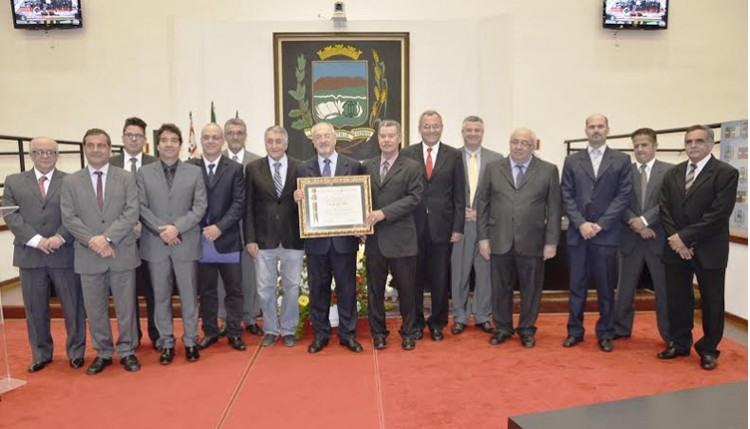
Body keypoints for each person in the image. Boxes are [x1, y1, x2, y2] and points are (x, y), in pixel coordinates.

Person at [658, 125, 738, 370]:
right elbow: (665, 208)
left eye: (699, 141)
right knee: (678, 299)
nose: (692, 145)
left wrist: (685, 238)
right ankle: (679, 342)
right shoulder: (673, 173)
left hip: (709, 249)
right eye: (689, 141)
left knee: (712, 301)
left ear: (711, 144)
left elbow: (718, 213)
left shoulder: (726, 173)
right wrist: (675, 238)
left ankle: (708, 348)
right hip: (675, 248)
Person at [60, 129, 141, 374]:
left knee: (126, 308)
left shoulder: (126, 178)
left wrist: (107, 238)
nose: (96, 150)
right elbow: (69, 217)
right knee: (95, 309)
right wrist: (93, 241)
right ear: (85, 148)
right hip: (88, 254)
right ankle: (103, 352)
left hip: (121, 252)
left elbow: (131, 212)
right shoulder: (71, 181)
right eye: (91, 145)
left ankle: (127, 351)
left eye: (101, 145)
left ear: (109, 148)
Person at [3, 137, 86, 373]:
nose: (46, 156)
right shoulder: (14, 182)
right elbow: (11, 216)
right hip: (30, 255)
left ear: (57, 154)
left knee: (73, 306)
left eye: (51, 152)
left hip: (64, 252)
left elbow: (75, 215)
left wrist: (59, 237)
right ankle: (41, 354)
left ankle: (76, 352)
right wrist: (37, 240)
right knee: (35, 308)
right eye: (40, 152)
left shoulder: (71, 181)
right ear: (31, 154)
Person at [477, 128, 561, 348]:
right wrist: (483, 238)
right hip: (499, 239)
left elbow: (554, 208)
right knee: (500, 288)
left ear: (534, 146)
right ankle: (502, 327)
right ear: (509, 144)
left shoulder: (548, 170)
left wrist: (551, 242)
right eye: (515, 142)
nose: (519, 146)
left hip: (533, 241)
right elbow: (482, 205)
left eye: (525, 143)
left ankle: (526, 329)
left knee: (531, 289)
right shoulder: (493, 168)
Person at [560, 113, 632, 352]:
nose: (596, 130)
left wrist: (600, 224)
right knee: (576, 287)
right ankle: (575, 331)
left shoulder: (621, 160)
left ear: (608, 129)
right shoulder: (572, 161)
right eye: (592, 126)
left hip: (606, 235)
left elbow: (623, 197)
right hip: (578, 234)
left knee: (605, 288)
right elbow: (566, 195)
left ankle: (605, 333)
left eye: (600, 126)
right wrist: (581, 223)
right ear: (586, 130)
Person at [137, 123, 207, 365]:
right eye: (164, 140)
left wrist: (176, 228)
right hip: (155, 245)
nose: (168, 144)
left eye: (173, 140)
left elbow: (199, 207)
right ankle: (166, 342)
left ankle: (189, 341)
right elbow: (141, 207)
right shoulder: (143, 173)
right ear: (157, 144)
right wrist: (162, 231)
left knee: (189, 296)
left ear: (179, 144)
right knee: (160, 297)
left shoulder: (194, 172)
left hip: (185, 242)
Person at [295, 122, 366, 353]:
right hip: (316, 243)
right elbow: (296, 206)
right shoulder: (303, 169)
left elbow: (362, 200)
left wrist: (360, 224)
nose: (323, 140)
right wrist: (297, 197)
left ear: (335, 139)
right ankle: (321, 334)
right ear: (312, 141)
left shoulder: (354, 166)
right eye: (318, 137)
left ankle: (348, 335)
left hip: (345, 242)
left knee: (347, 289)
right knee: (318, 290)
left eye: (327, 136)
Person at [401, 110, 466, 341]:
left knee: (440, 279)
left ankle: (438, 323)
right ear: (420, 129)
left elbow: (460, 194)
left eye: (435, 126)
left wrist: (458, 228)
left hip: (443, 227)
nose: (431, 130)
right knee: (414, 278)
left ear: (442, 127)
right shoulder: (407, 153)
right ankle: (416, 322)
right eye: (427, 126)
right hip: (412, 227)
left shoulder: (454, 156)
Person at [363, 120, 423, 351]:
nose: (386, 140)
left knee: (407, 291)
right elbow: (358, 195)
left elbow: (414, 198)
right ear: (377, 139)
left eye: (391, 136)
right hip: (375, 240)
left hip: (402, 240)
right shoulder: (366, 165)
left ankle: (409, 332)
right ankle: (378, 333)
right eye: (382, 136)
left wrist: (383, 213)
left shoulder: (412, 166)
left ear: (399, 138)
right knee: (375, 291)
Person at [188, 123, 247, 351]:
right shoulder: (190, 167)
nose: (211, 141)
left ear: (222, 141)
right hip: (200, 239)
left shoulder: (234, 168)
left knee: (234, 290)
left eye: (215, 137)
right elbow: (187, 202)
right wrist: (204, 227)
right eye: (206, 137)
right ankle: (210, 331)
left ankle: (234, 332)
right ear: (201, 141)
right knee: (207, 291)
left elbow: (239, 202)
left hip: (228, 239)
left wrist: (219, 227)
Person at [245, 126, 304, 348]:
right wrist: (250, 239)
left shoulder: (300, 167)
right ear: (265, 143)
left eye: (279, 141)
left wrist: (303, 197)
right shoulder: (253, 169)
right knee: (265, 288)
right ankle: (270, 328)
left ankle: (288, 328)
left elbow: (311, 201)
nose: (275, 145)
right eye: (270, 141)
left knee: (292, 286)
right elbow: (248, 206)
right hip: (263, 239)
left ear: (286, 144)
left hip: (293, 238)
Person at [614, 128, 672, 344]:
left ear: (655, 145)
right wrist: (637, 225)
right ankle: (621, 329)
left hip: (657, 239)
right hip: (630, 240)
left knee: (664, 291)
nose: (640, 149)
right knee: (624, 291)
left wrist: (646, 221)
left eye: (644, 144)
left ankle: (668, 334)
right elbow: (619, 202)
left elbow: (667, 203)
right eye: (636, 145)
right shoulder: (623, 171)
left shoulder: (669, 171)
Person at [450, 116, 502, 335]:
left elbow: (500, 195)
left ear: (483, 132)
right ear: (462, 133)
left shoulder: (496, 159)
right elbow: (445, 192)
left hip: (485, 226)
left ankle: (483, 315)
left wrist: (481, 213)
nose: (472, 134)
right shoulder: (452, 157)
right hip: (459, 225)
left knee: (484, 273)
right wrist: (458, 212)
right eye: (468, 130)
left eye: (477, 130)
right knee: (459, 272)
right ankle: (459, 315)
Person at [110, 116, 159, 348]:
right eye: (129, 135)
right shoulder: (110, 164)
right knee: (126, 293)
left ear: (144, 139)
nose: (133, 139)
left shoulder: (156, 163)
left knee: (154, 289)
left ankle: (158, 335)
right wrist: (126, 225)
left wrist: (145, 223)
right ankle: (131, 337)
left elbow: (161, 202)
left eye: (138, 136)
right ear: (122, 137)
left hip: (151, 237)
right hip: (121, 239)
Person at [221, 117, 263, 337]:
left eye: (239, 133)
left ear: (245, 135)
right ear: (225, 136)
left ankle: (250, 317)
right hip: (223, 230)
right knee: (223, 278)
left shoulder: (256, 162)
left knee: (249, 275)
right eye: (231, 133)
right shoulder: (214, 161)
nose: (235, 137)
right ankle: (225, 318)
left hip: (248, 228)